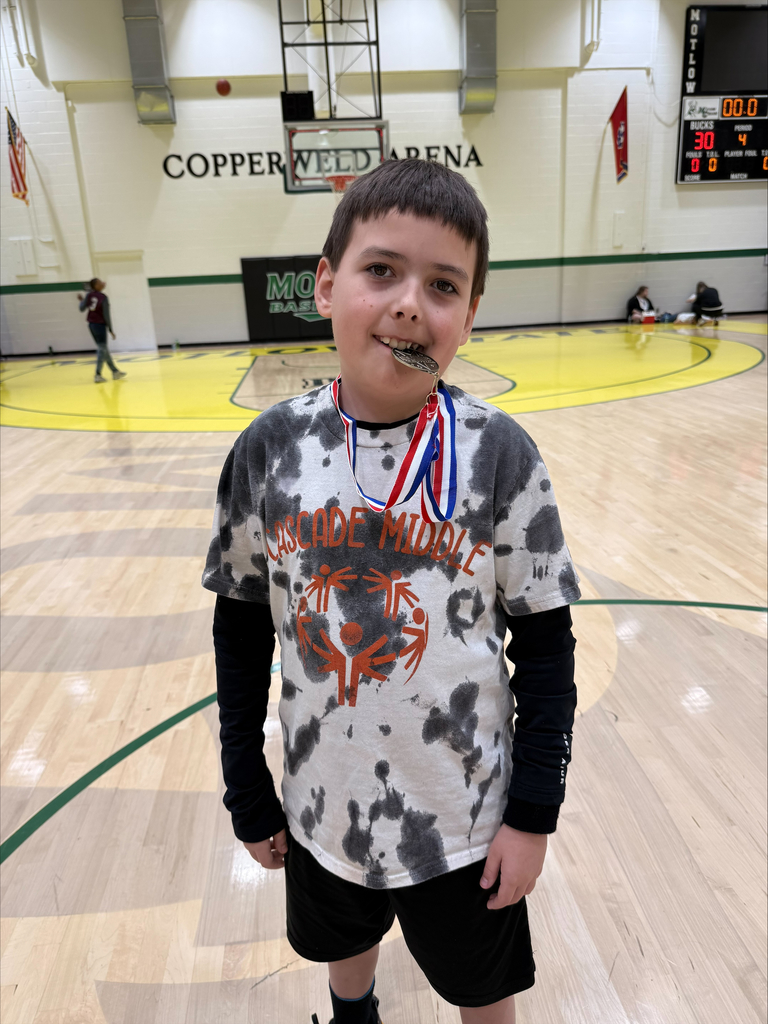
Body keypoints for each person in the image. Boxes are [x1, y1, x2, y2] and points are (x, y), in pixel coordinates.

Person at [202, 159, 580, 1024]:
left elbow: (549, 647)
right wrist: (246, 784)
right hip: (317, 802)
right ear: (326, 284)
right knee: (342, 950)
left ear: (469, 316)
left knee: (483, 990)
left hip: (466, 820)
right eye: (382, 271)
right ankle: (355, 1015)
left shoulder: (499, 454)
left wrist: (534, 812)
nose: (412, 304)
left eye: (443, 285)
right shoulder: (267, 452)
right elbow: (238, 634)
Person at [77, 278, 126, 382]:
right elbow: (106, 315)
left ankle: (115, 372)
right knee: (101, 348)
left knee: (103, 349)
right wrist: (111, 329)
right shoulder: (103, 297)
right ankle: (97, 374)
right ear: (95, 286)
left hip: (91, 325)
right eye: (100, 282)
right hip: (99, 325)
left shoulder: (89, 295)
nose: (103, 283)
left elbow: (81, 309)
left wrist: (81, 301)